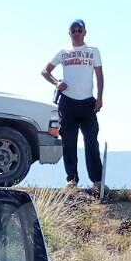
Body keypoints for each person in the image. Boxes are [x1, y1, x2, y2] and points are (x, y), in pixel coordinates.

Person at [41, 19, 104, 191]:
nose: (76, 33)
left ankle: (97, 181)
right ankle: (72, 180)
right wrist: (56, 82)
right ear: (69, 33)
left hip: (88, 103)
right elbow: (45, 71)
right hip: (67, 102)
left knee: (91, 141)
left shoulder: (93, 51)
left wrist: (100, 98)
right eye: (73, 30)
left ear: (84, 32)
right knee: (69, 142)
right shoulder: (63, 52)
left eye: (79, 30)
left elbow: (99, 76)